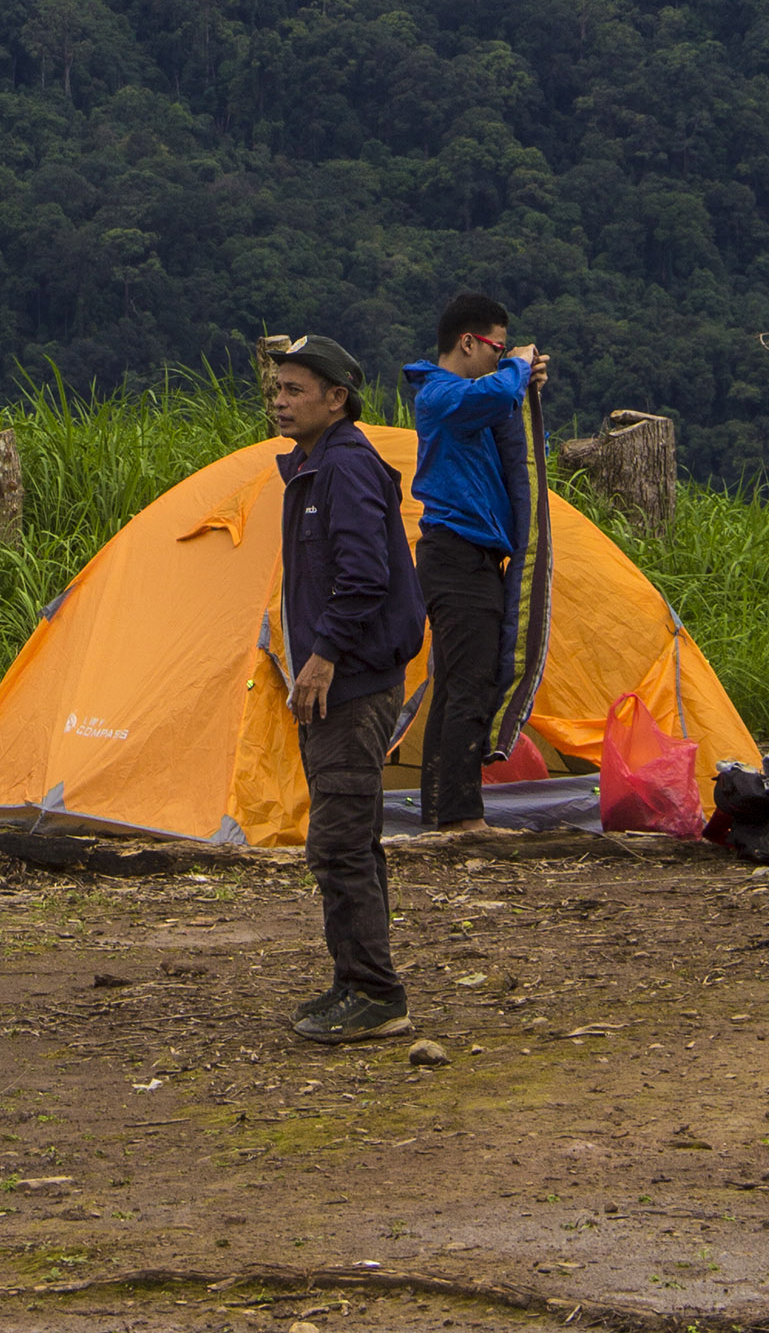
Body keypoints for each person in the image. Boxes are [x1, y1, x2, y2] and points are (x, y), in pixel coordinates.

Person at [264, 331, 428, 1044]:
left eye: (296, 389)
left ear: (337, 397)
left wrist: (324, 654)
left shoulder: (346, 468)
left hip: (354, 681)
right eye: (277, 388)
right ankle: (354, 978)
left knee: (339, 840)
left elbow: (366, 575)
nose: (280, 400)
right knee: (349, 837)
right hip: (340, 676)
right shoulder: (312, 465)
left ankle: (377, 992)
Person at [400, 291, 543, 836]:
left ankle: (445, 812)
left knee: (459, 682)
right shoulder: (440, 396)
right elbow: (495, 394)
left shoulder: (474, 399)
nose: (500, 358)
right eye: (496, 349)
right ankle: (461, 817)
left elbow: (519, 450)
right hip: (455, 555)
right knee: (471, 685)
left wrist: (523, 387)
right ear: (468, 342)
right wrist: (518, 367)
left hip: (473, 555)